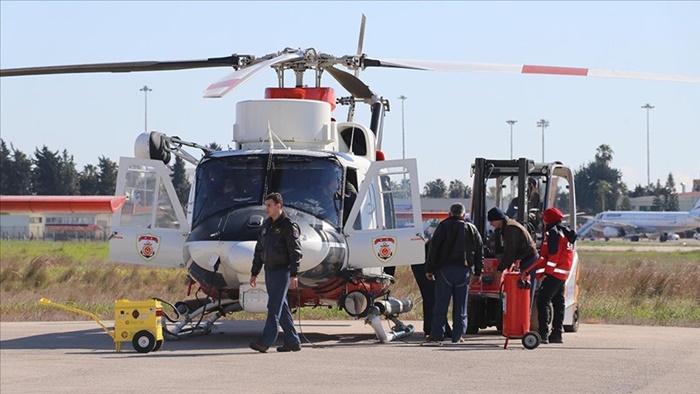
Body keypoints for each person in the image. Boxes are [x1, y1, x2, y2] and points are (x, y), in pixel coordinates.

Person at [249, 192, 303, 353]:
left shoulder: (288, 225)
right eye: (266, 205)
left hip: (282, 271)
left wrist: (294, 274)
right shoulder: (266, 226)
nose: (267, 209)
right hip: (269, 270)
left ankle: (265, 341)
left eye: (269, 205)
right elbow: (259, 250)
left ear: (278, 206)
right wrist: (254, 272)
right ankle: (293, 341)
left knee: (273, 306)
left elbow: (295, 252)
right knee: (282, 306)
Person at [423, 203, 483, 345]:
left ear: (449, 214)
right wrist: (478, 272)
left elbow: (433, 249)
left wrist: (429, 269)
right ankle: (458, 335)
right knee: (461, 306)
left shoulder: (442, 227)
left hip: (444, 270)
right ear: (463, 214)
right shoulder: (471, 228)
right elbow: (480, 251)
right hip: (464, 271)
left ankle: (437, 334)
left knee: (441, 304)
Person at [528, 207, 577, 344]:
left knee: (543, 301)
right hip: (563, 273)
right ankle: (556, 334)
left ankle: (543, 333)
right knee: (558, 302)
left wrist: (546, 274)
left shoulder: (552, 233)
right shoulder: (565, 232)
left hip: (555, 273)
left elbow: (552, 256)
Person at [487, 206, 539, 306]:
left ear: (498, 219)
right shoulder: (509, 226)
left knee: (526, 291)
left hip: (529, 260)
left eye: (491, 221)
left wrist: (500, 269)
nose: (491, 224)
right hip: (526, 259)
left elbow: (510, 252)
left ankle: (525, 315)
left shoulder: (510, 229)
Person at [410, 238, 452, 338]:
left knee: (430, 297)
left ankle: (431, 327)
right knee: (433, 297)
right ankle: (436, 328)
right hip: (425, 263)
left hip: (420, 261)